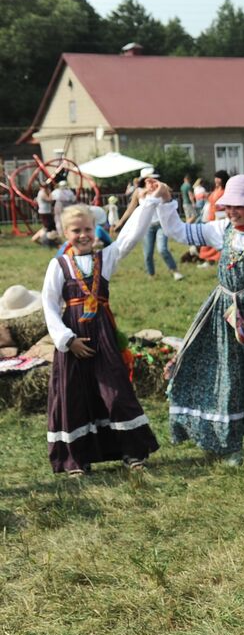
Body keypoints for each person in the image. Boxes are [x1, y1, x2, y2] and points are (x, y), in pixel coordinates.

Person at [153, 174, 244, 466]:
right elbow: (179, 232)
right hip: (224, 312)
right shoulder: (221, 229)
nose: (232, 211)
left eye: (239, 206)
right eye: (229, 205)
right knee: (228, 375)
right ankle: (231, 445)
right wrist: (167, 201)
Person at [40, 200, 162, 476]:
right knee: (74, 398)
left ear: (95, 230)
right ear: (64, 233)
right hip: (73, 340)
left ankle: (132, 451)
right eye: (75, 230)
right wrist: (67, 340)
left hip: (102, 334)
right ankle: (76, 459)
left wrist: (150, 203)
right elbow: (48, 305)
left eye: (87, 229)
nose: (83, 235)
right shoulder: (57, 265)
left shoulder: (104, 258)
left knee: (116, 392)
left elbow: (130, 237)